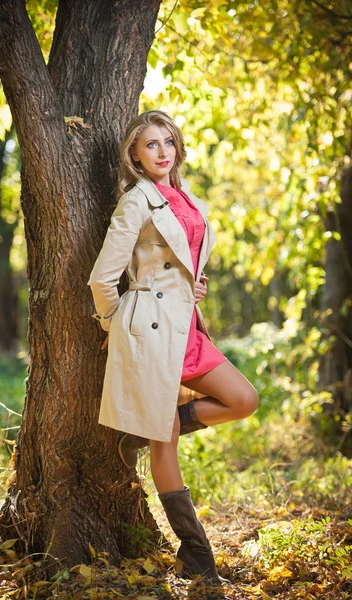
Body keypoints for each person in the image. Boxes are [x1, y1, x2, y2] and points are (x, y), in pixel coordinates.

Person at [87, 109, 259, 585]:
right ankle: (197, 553)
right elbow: (102, 278)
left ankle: (151, 428)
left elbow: (183, 265)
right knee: (167, 451)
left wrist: (194, 289)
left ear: (177, 148)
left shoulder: (186, 199)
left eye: (168, 142)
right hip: (150, 334)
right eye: (151, 146)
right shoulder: (136, 202)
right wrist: (114, 325)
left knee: (244, 399)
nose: (162, 152)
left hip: (187, 328)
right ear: (136, 157)